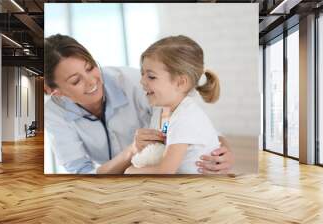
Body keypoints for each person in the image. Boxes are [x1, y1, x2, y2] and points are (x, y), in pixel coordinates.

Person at [44, 34, 234, 174]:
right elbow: (81, 173)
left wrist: (223, 151)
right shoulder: (53, 113)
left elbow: (194, 128)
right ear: (56, 92)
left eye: (91, 67)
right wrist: (131, 153)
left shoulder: (139, 83)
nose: (92, 82)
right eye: (76, 81)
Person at [124, 35, 221, 174]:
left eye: (151, 76)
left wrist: (130, 171)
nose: (142, 81)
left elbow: (165, 171)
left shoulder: (184, 117)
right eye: (142, 74)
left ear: (181, 82)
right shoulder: (160, 110)